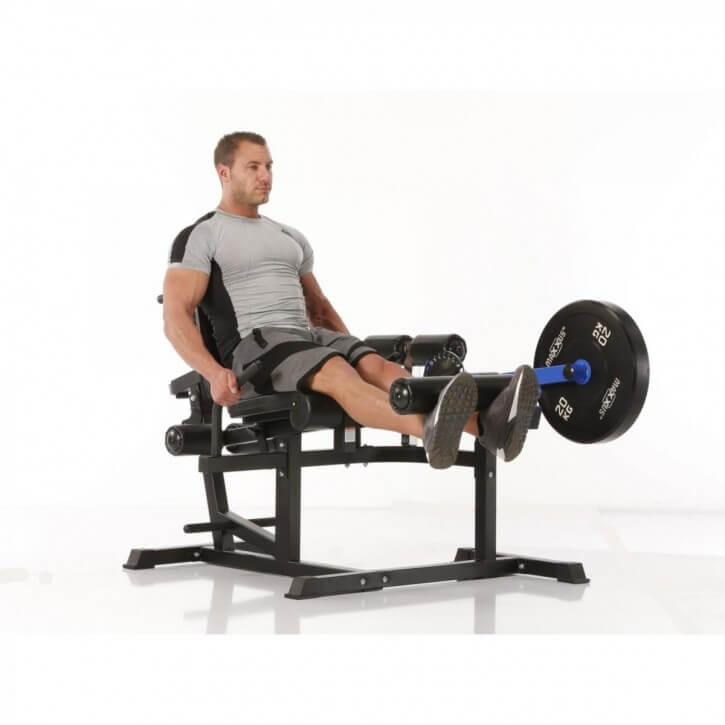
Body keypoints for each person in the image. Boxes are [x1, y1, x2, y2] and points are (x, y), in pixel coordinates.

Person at [163, 131, 538, 469]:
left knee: (381, 368)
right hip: (257, 349)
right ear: (224, 172)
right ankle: (427, 429)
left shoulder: (288, 235)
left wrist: (357, 352)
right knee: (338, 372)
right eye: (253, 167)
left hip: (306, 338)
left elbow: (319, 307)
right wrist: (213, 375)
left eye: (269, 166)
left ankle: (489, 428)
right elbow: (175, 316)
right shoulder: (202, 235)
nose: (266, 176)